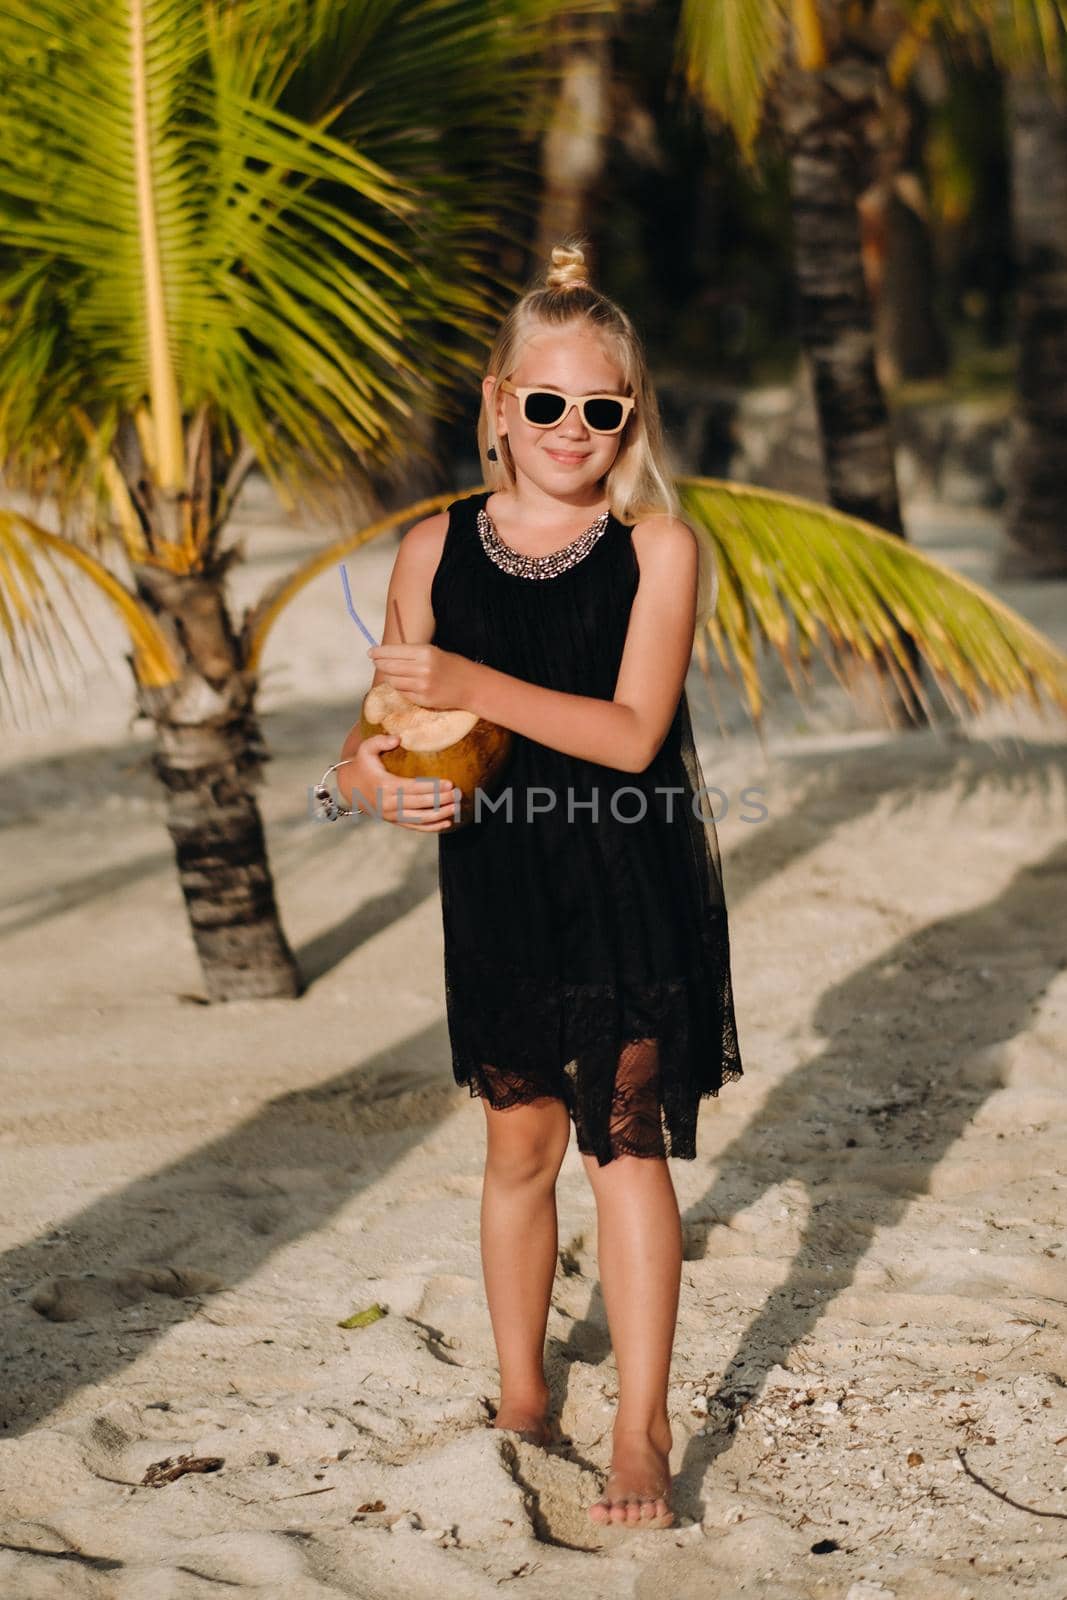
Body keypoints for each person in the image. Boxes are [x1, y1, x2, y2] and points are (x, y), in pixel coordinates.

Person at [334, 238, 744, 1532]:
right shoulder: (430, 552)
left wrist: (474, 688)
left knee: (623, 1140)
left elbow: (630, 733)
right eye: (548, 403)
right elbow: (384, 728)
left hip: (627, 866)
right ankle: (522, 1390)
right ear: (500, 403)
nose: (574, 430)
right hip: (500, 878)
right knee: (519, 1144)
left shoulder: (657, 548)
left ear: (632, 419)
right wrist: (362, 782)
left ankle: (640, 1422)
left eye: (602, 409)